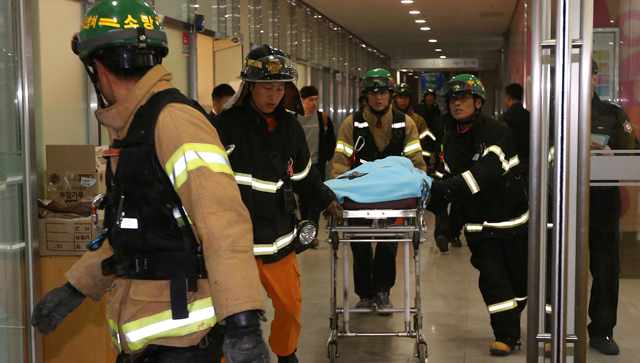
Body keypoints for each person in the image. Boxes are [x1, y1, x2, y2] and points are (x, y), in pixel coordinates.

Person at [31, 1, 269, 363]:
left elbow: (223, 224)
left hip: (184, 343)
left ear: (97, 69)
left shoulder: (173, 122)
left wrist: (243, 323)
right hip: (146, 342)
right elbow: (137, 232)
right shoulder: (133, 130)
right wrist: (76, 287)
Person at [212, 44, 343, 363]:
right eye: (266, 87)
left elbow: (303, 176)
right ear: (250, 87)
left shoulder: (290, 127)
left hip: (278, 240)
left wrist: (328, 201)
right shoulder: (224, 127)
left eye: (280, 88)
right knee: (227, 312)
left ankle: (285, 353)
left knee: (290, 306)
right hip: (234, 243)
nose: (273, 94)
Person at [429, 74, 529, 356]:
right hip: (478, 225)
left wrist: (439, 189)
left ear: (478, 101)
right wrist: (443, 220)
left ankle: (513, 315)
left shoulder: (499, 131)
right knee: (493, 279)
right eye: (452, 99)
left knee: (519, 283)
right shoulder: (448, 138)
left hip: (511, 220)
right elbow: (445, 178)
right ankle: (506, 335)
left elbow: (482, 175)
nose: (456, 104)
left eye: (462, 98)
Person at [331, 68, 426, 312]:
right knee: (359, 243)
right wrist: (337, 196)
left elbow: (416, 159)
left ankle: (382, 291)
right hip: (360, 195)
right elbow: (340, 162)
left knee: (390, 241)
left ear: (390, 95)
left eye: (383, 92)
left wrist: (420, 191)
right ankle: (364, 294)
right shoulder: (351, 124)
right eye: (373, 93)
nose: (378, 97)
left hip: (393, 196)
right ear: (366, 96)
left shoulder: (406, 123)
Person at [586, 59, 639, 355]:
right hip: (565, 203)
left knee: (606, 270)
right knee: (558, 267)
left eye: (585, 75)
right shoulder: (555, 114)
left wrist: (610, 155)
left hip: (603, 204)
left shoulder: (613, 114)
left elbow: (635, 154)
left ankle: (602, 331)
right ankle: (556, 323)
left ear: (595, 79)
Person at [297, 85, 337, 248]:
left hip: (317, 166)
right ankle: (304, 230)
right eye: (310, 100)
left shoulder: (323, 118)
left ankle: (311, 235)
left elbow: (331, 140)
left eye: (316, 99)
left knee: (315, 199)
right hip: (300, 167)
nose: (314, 103)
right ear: (302, 100)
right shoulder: (295, 118)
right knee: (302, 202)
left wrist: (326, 158)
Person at [393, 83, 437, 168]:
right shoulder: (388, 119)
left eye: (406, 98)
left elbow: (426, 144)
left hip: (413, 165)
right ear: (394, 99)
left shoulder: (418, 120)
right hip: (392, 164)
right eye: (400, 98)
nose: (403, 101)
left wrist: (425, 163)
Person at [500, 83, 531, 193]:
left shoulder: (506, 118)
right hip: (530, 164)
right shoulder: (530, 117)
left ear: (508, 98)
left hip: (512, 165)